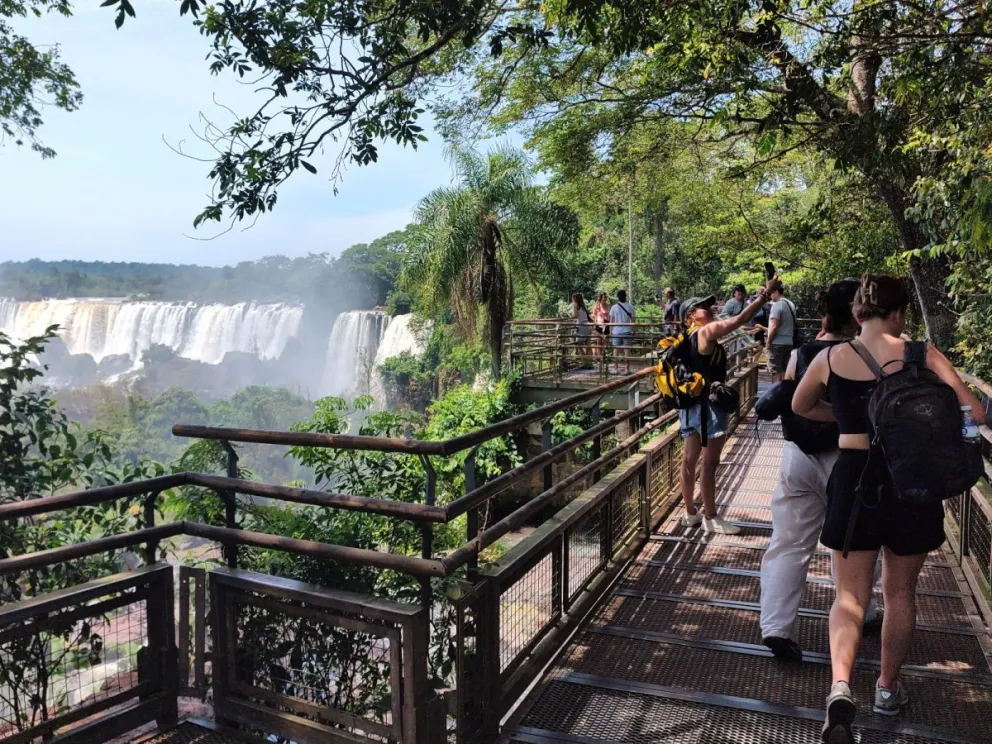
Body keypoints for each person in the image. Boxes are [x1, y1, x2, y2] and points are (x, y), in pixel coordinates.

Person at [793, 274, 983, 741]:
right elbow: (974, 413)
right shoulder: (922, 353)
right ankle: (886, 688)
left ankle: (840, 687)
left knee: (849, 596)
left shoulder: (830, 357)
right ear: (899, 312)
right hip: (912, 480)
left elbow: (799, 407)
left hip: (854, 477)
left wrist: (847, 414)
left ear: (857, 312)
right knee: (900, 592)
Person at [758, 280, 881, 662]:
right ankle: (865, 610)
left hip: (797, 457)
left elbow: (792, 401)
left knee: (788, 543)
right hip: (848, 458)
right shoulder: (864, 355)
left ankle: (776, 626)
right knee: (850, 540)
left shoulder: (801, 353)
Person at [678, 280, 775, 535]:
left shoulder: (688, 337)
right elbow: (739, 319)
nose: (709, 309)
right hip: (708, 407)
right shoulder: (704, 332)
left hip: (690, 405)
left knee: (689, 461)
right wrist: (764, 294)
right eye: (702, 307)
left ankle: (690, 513)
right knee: (709, 462)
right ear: (690, 316)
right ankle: (711, 516)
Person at [766, 278, 797, 382]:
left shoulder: (777, 305)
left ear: (775, 291)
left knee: (775, 372)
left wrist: (768, 341)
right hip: (789, 342)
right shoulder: (791, 304)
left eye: (771, 293)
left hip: (777, 343)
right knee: (785, 371)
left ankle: (776, 395)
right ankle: (784, 395)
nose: (770, 295)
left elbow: (774, 326)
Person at [609, 290, 636, 359]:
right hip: (627, 330)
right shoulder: (630, 307)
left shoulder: (614, 307)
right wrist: (634, 330)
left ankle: (615, 368)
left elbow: (611, 321)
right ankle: (627, 368)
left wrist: (610, 332)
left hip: (616, 331)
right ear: (625, 296)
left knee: (616, 350)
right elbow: (633, 320)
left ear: (618, 297)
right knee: (627, 350)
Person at [571, 292, 592, 368]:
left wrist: (571, 316)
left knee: (579, 344)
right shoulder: (583, 305)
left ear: (574, 298)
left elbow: (575, 315)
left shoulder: (575, 304)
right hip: (588, 325)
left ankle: (585, 362)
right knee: (588, 345)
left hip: (582, 326)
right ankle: (590, 363)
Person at [591, 292, 610, 361]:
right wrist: (595, 321)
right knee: (599, 342)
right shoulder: (597, 306)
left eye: (606, 298)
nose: (605, 299)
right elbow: (593, 315)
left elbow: (611, 315)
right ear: (600, 299)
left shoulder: (609, 306)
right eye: (603, 298)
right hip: (599, 326)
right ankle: (600, 358)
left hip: (607, 325)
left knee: (605, 342)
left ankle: (604, 355)